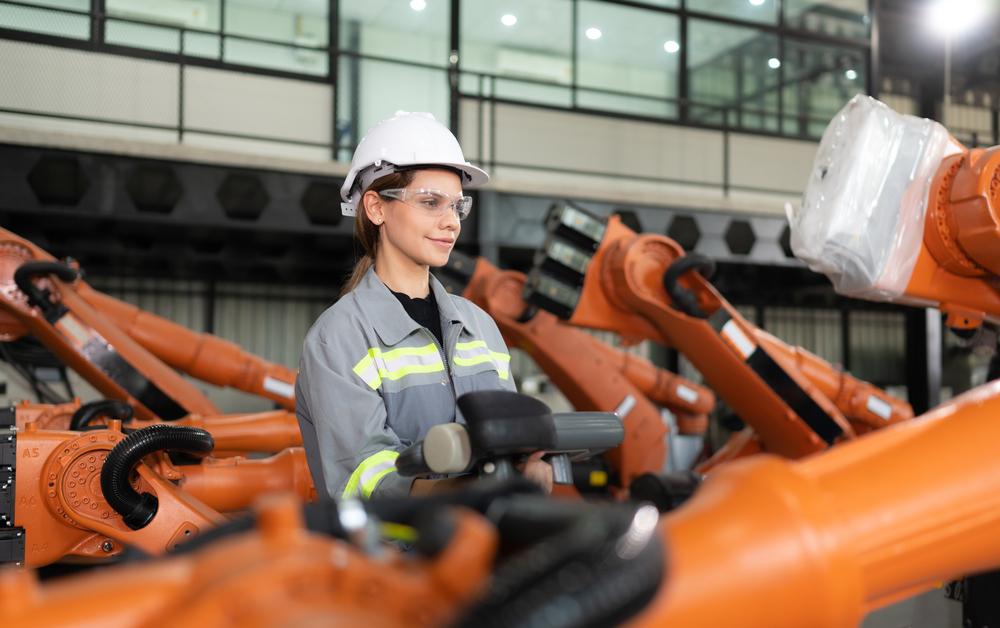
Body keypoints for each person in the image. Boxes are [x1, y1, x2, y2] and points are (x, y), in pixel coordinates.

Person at [295, 111, 552, 500]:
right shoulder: (339, 339)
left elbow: (507, 436)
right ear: (376, 208)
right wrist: (464, 494)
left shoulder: (480, 326)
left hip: (484, 548)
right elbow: (364, 480)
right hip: (393, 558)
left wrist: (527, 463)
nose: (452, 222)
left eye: (457, 206)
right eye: (431, 202)